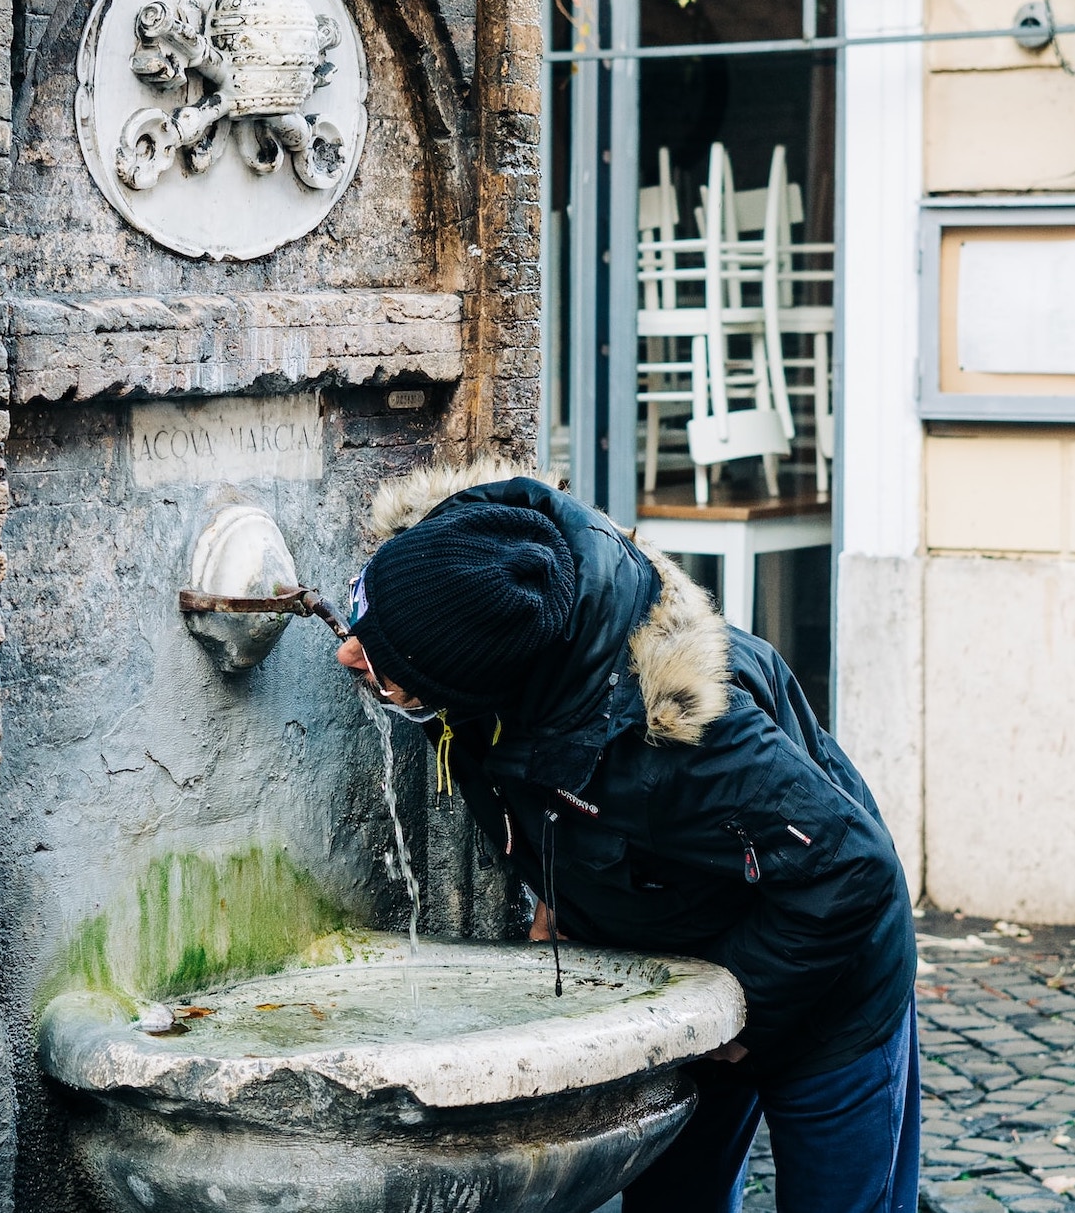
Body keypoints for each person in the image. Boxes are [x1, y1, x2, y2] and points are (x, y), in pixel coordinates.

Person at [335, 460, 918, 1213]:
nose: (351, 652)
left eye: (383, 664)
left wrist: (735, 1009)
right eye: (360, 619)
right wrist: (557, 895)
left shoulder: (690, 736)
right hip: (677, 965)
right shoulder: (479, 593)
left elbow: (853, 871)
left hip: (832, 987)